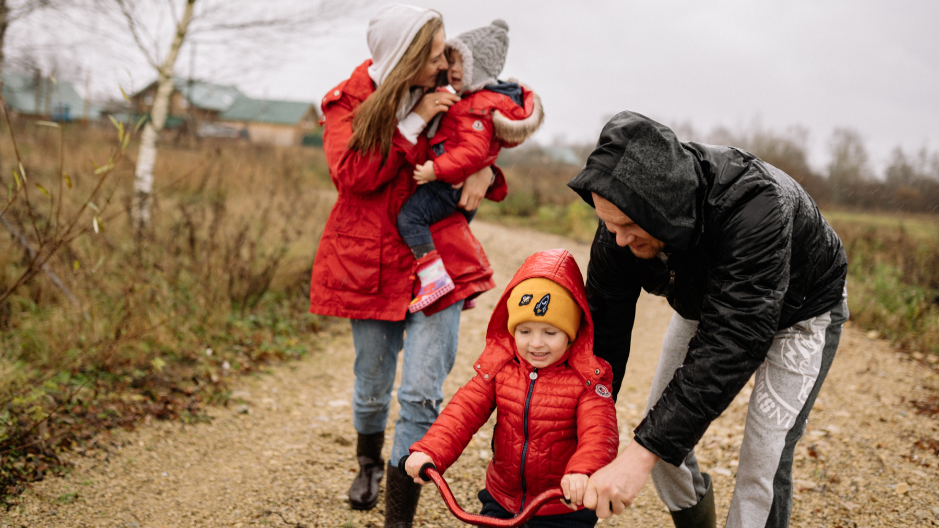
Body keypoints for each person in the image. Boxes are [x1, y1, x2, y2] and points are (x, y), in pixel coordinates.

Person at [566, 112, 849, 528]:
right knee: (662, 445)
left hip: (802, 309)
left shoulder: (756, 205)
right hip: (710, 303)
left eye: (627, 226)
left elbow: (733, 341)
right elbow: (603, 334)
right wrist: (583, 438)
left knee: (761, 463)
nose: (619, 240)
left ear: (662, 207)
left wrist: (640, 455)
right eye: (609, 226)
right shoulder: (618, 228)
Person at [309, 5, 506, 527]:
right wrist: (414, 122)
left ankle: (400, 516)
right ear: (407, 56)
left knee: (422, 391)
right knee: (372, 381)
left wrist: (488, 170)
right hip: (367, 264)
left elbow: (482, 129)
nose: (446, 61)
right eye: (436, 52)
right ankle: (369, 463)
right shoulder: (347, 102)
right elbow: (353, 175)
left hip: (438, 263)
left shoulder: (450, 90)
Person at [405, 248, 619, 528]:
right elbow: (463, 412)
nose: (536, 343)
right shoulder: (501, 368)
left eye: (550, 332)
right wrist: (431, 450)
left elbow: (599, 435)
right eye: (525, 331)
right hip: (503, 497)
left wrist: (583, 472)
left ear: (571, 332)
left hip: (562, 504)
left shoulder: (587, 379)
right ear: (511, 330)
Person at [397, 19, 544, 312]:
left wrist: (435, 170)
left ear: (480, 68)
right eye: (450, 60)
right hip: (454, 182)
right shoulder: (469, 100)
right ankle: (465, 287)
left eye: (461, 62)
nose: (452, 68)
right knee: (447, 231)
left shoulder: (475, 106)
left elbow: (473, 153)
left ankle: (434, 280)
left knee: (410, 218)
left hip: (447, 184)